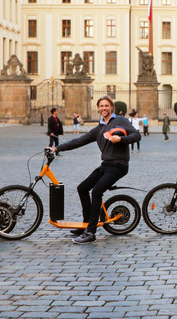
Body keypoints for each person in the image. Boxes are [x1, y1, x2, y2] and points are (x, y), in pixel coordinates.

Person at [52, 95, 140, 244]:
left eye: (106, 105)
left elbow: (137, 135)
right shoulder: (99, 128)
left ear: (111, 107)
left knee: (97, 191)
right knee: (82, 188)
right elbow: (78, 141)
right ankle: (86, 224)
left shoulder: (121, 121)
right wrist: (56, 148)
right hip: (106, 165)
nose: (104, 108)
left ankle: (91, 232)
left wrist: (121, 139)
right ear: (98, 108)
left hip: (119, 165)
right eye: (101, 106)